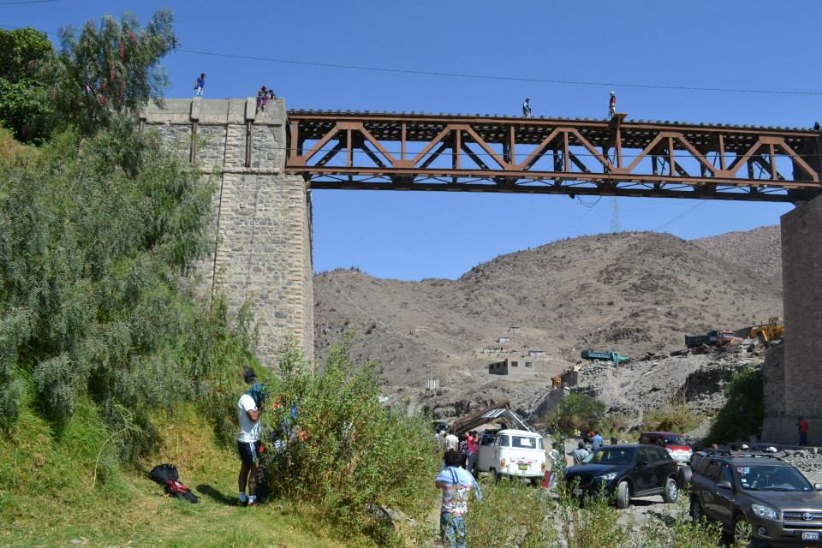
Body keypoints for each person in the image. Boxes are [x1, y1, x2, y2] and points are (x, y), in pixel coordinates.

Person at [435, 449, 482, 548]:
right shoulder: (468, 475)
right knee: (461, 544)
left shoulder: (444, 474)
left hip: (447, 514)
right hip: (462, 515)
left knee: (449, 544)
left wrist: (443, 467)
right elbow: (479, 494)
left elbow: (437, 484)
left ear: (446, 461)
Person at [237, 368, 266, 506]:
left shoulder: (251, 398)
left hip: (251, 440)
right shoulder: (246, 399)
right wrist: (261, 408)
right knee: (254, 467)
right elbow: (253, 416)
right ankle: (252, 499)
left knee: (245, 467)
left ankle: (242, 498)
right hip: (248, 440)